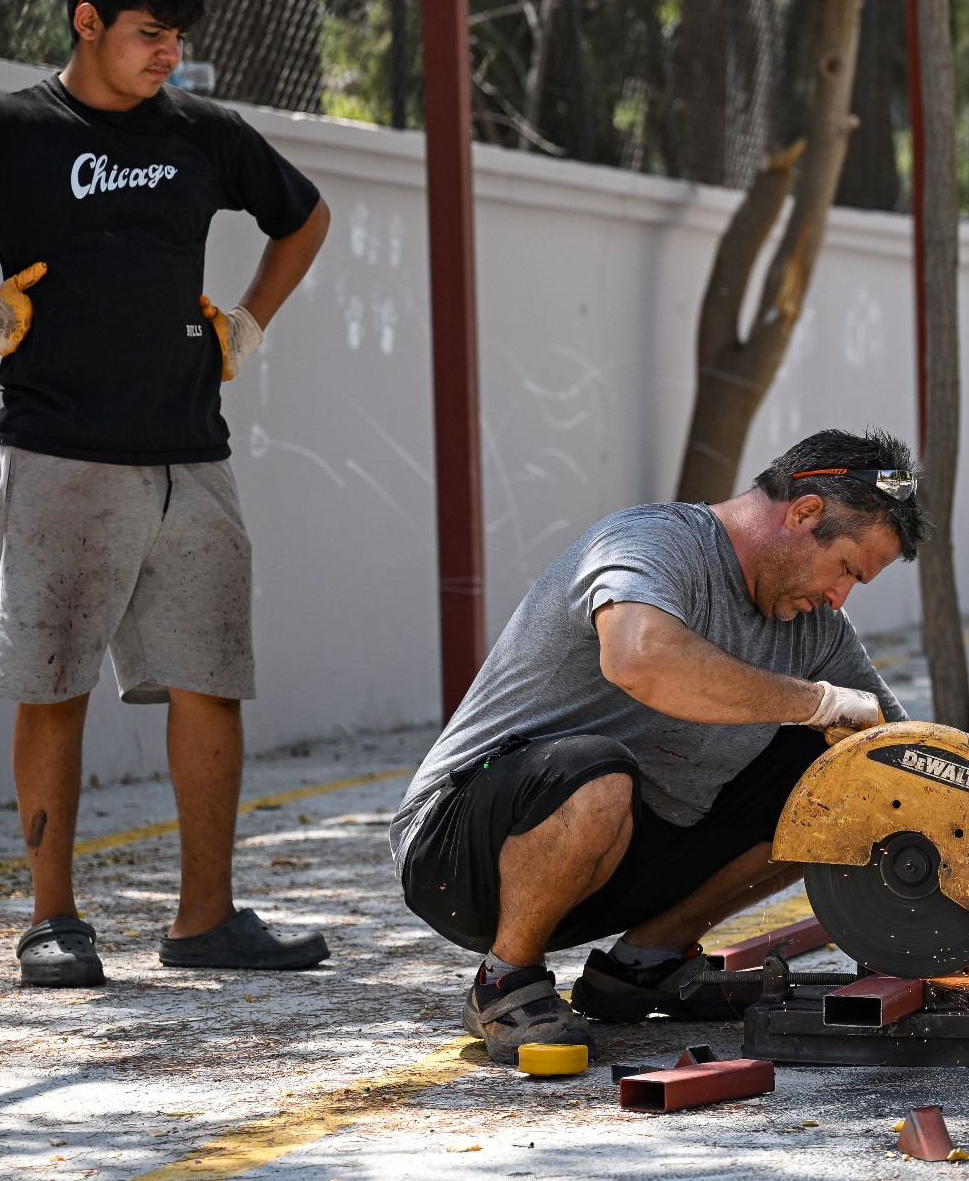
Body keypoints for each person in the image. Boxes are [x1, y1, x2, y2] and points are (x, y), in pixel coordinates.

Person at [0, 0, 333, 988]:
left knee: (210, 682)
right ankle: (52, 920)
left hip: (192, 453)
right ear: (85, 19)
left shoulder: (203, 131)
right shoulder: (3, 132)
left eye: (179, 39)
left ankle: (207, 920)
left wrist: (249, 322)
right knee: (52, 684)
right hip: (60, 449)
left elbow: (304, 216)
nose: (168, 57)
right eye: (149, 34)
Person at [389, 428, 927, 1065]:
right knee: (596, 769)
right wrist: (817, 703)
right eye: (845, 570)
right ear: (805, 513)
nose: (840, 597)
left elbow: (903, 766)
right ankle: (507, 980)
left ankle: (644, 966)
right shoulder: (653, 542)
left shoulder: (818, 630)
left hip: (620, 864)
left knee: (840, 777)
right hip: (462, 856)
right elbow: (639, 660)